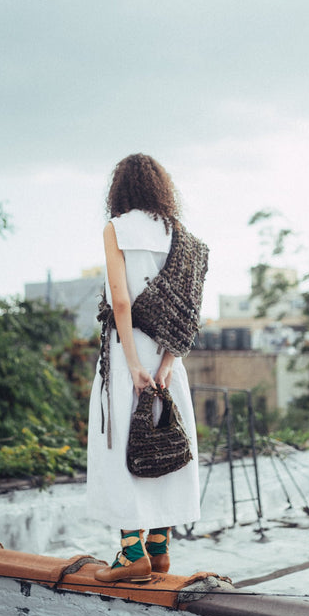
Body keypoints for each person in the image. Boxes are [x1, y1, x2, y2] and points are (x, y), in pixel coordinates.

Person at [87, 154, 208, 583]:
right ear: (161, 188)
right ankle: (159, 548)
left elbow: (121, 301)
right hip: (168, 360)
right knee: (164, 442)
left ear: (119, 189)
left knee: (120, 442)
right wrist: (167, 363)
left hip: (128, 353)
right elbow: (190, 309)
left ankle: (129, 554)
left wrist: (134, 364)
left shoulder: (115, 229)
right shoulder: (180, 236)